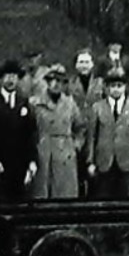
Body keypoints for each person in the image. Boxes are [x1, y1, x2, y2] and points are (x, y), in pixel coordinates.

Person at [0, 60, 38, 203]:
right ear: (0, 79)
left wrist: (32, 161)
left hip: (19, 167)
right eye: (7, 76)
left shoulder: (24, 103)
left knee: (20, 205)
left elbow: (31, 134)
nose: (10, 80)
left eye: (14, 76)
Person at [86, 67, 129, 199]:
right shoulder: (97, 108)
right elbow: (92, 137)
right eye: (112, 86)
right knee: (103, 199)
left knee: (126, 201)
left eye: (119, 85)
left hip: (128, 163)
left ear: (125, 87)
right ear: (106, 88)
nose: (116, 89)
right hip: (104, 163)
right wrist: (90, 162)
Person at [30, 64, 85, 200]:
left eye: (60, 82)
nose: (56, 85)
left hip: (65, 154)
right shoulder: (35, 104)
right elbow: (28, 130)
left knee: (65, 193)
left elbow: (81, 127)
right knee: (42, 192)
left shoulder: (70, 104)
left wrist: (75, 145)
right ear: (47, 82)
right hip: (43, 152)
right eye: (53, 81)